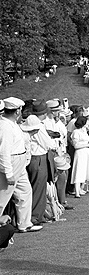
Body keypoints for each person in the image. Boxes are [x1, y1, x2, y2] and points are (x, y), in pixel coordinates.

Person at [0, 97, 42, 233]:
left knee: (25, 191)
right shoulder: (5, 126)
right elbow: (4, 151)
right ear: (17, 111)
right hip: (12, 162)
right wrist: (8, 173)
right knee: (3, 195)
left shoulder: (12, 124)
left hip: (20, 161)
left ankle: (24, 223)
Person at [70, 116, 89, 198]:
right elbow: (76, 145)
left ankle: (81, 188)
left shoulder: (85, 131)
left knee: (85, 170)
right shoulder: (76, 132)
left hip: (85, 152)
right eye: (87, 122)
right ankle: (76, 191)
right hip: (80, 153)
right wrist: (87, 145)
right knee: (79, 170)